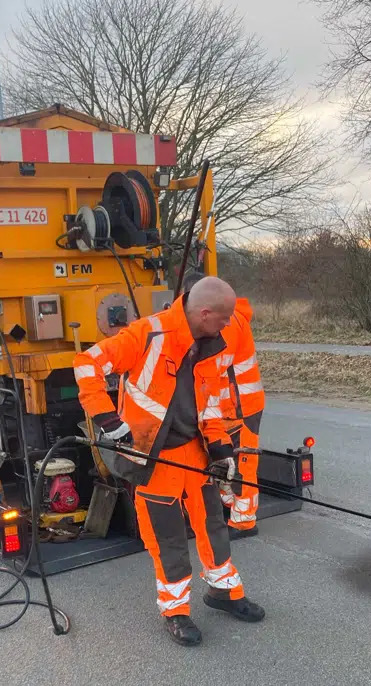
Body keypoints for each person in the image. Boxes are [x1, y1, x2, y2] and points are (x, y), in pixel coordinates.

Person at [73, 276, 265, 646]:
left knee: (212, 526)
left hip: (195, 454)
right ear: (204, 312)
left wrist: (222, 449)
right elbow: (86, 364)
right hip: (152, 458)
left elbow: (209, 402)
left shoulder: (210, 343)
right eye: (223, 318)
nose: (228, 326)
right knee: (168, 539)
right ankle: (176, 612)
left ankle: (223, 592)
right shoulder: (147, 335)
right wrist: (107, 418)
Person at [182, 271, 265, 535]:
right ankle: (231, 505)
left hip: (240, 406)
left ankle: (244, 522)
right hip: (227, 406)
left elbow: (212, 369)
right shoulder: (223, 320)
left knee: (243, 464)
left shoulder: (228, 324)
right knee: (226, 462)